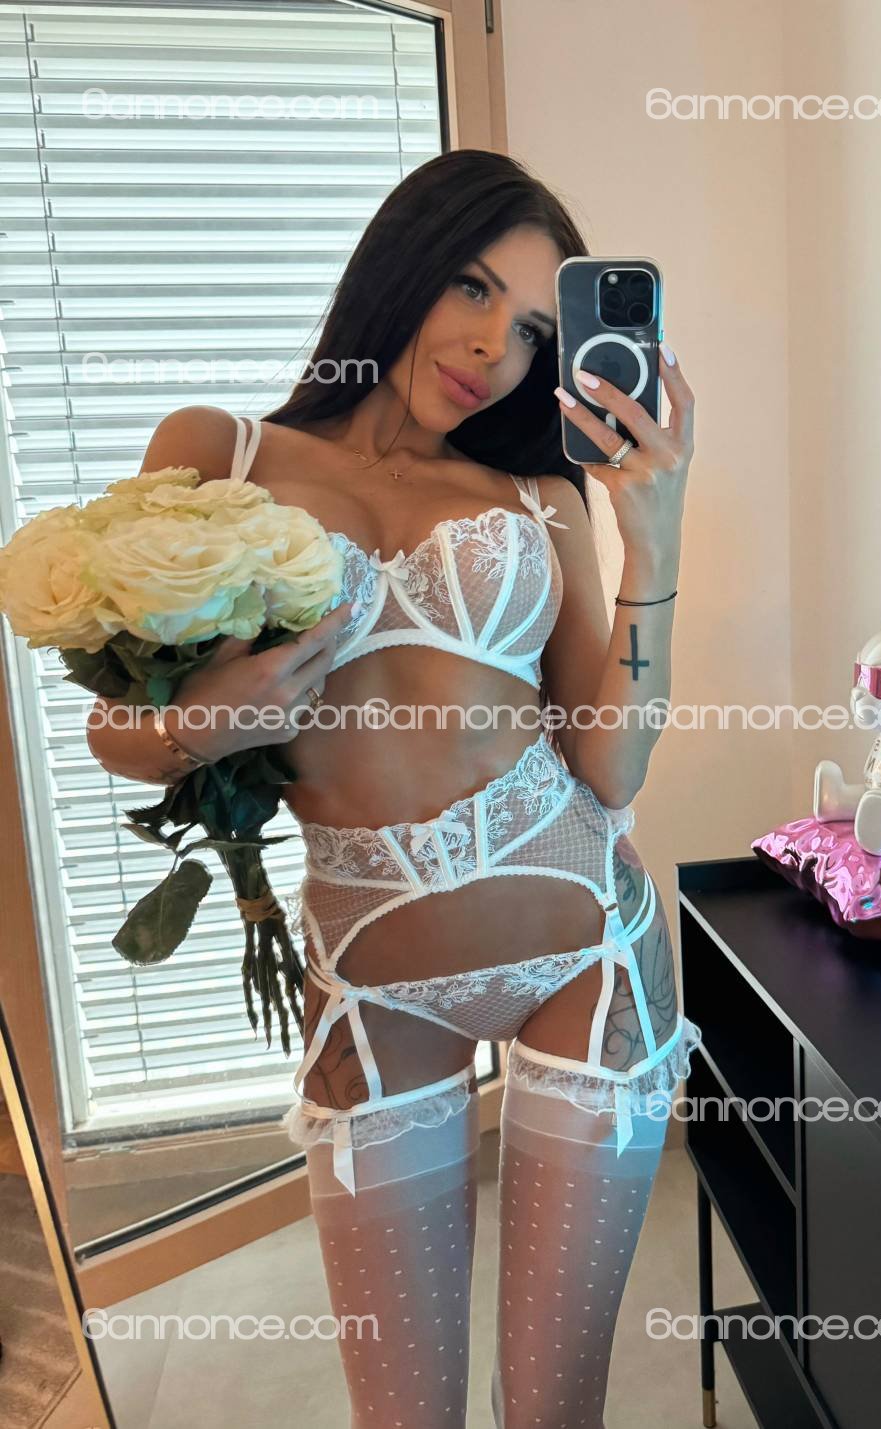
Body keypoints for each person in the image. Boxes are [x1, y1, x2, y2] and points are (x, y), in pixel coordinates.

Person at [87, 149, 701, 1428]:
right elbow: (117, 732)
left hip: (588, 946)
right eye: (472, 288)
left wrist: (653, 539)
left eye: (530, 331)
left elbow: (609, 762)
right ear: (401, 264)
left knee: (554, 1412)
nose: (492, 348)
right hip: (373, 978)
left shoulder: (536, 491)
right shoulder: (216, 452)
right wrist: (204, 722)